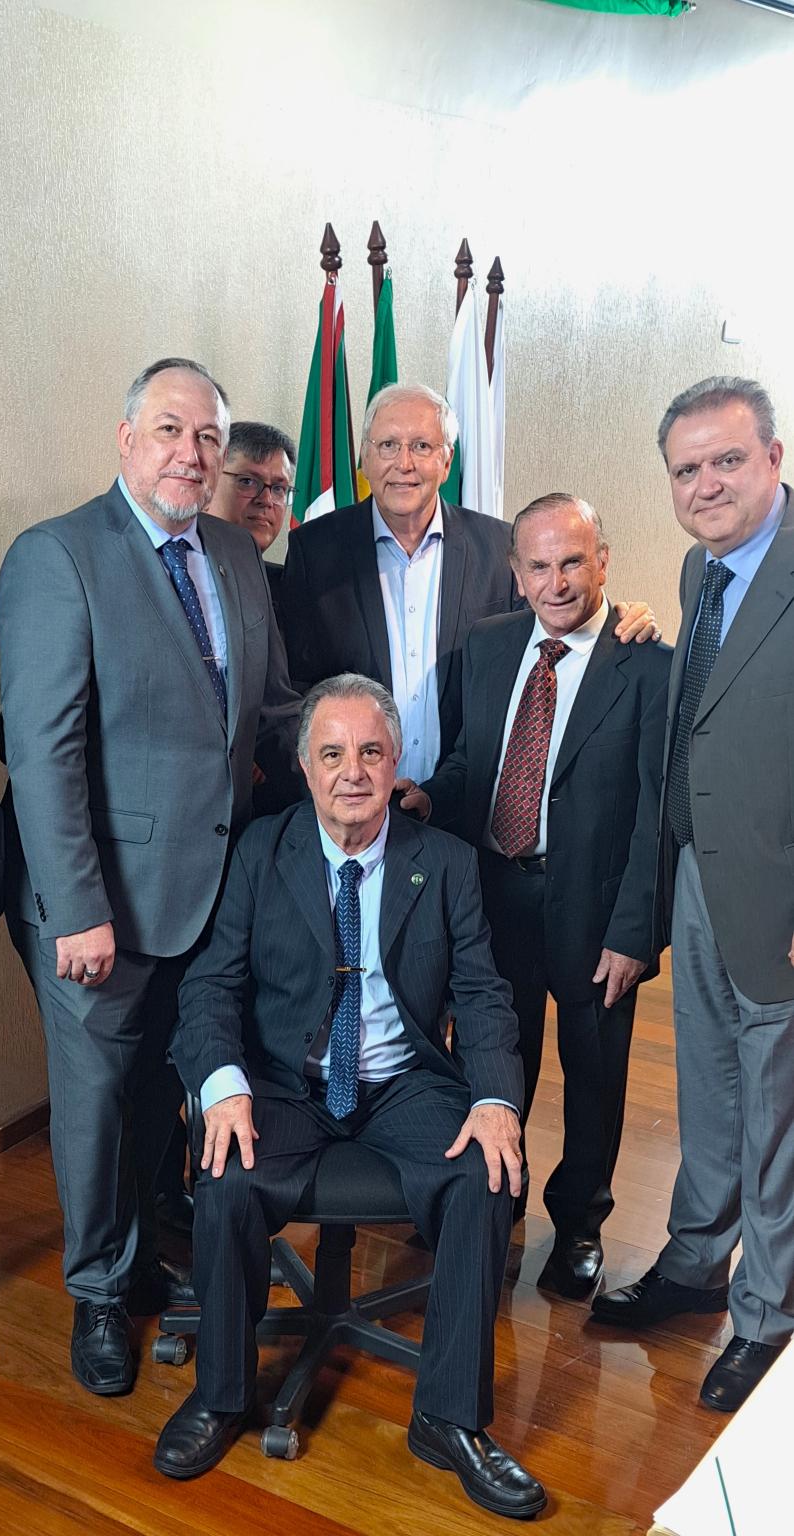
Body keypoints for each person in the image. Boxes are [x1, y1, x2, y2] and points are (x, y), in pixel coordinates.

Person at [157, 674, 546, 1521]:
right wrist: (222, 1088)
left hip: (403, 1082)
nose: (353, 772)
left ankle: (450, 1420)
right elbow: (211, 986)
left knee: (483, 1174)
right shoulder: (262, 851)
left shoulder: (445, 862)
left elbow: (484, 996)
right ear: (305, 767)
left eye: (371, 752)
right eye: (332, 754)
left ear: (395, 761)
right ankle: (220, 1396)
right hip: (285, 1081)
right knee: (225, 1176)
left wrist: (495, 1102)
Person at [0, 358, 300, 1401]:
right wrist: (76, 908)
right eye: (169, 429)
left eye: (208, 436)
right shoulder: (58, 555)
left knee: (164, 1091)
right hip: (100, 905)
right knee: (93, 1106)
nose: (190, 453)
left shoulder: (235, 552)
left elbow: (270, 711)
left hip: (211, 893)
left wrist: (355, 757)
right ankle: (97, 1293)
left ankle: (140, 1256)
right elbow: (43, 753)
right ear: (126, 438)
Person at [406, 495, 670, 1287]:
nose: (557, 583)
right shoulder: (487, 645)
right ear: (516, 574)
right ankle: (495, 1196)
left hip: (594, 907)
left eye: (573, 562)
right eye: (540, 566)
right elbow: (471, 761)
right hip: (494, 897)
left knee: (593, 1071)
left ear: (603, 562)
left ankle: (580, 1225)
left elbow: (657, 817)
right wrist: (427, 799)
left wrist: (634, 932)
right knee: (494, 1056)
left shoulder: (648, 665)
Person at [592, 377, 794, 1412]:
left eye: (727, 460)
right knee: (710, 1083)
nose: (705, 484)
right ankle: (694, 1263)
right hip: (700, 872)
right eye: (685, 470)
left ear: (774, 458)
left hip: (779, 894)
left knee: (776, 1114)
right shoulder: (699, 568)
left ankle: (766, 1312)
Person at [278, 383, 659, 781]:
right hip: (352, 795)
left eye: (422, 446)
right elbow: (296, 684)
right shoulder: (315, 549)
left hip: (464, 796)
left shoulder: (500, 547)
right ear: (365, 457)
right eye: (388, 445)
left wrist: (617, 620)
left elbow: (554, 630)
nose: (404, 464)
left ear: (447, 461)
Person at [208, 419, 296, 619]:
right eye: (247, 481)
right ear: (208, 483)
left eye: (278, 488)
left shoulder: (292, 591)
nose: (266, 500)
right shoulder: (172, 575)